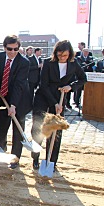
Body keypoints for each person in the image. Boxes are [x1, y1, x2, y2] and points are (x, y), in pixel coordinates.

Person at [31, 40, 86, 171]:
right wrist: (54, 103)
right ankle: (35, 157)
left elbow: (83, 79)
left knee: (56, 130)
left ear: (70, 54)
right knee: (38, 129)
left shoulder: (74, 64)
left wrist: (70, 86)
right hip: (43, 98)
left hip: (60, 98)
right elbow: (43, 85)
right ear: (56, 53)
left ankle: (52, 161)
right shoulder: (48, 63)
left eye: (65, 55)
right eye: (60, 55)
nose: (62, 58)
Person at [0, 35, 31, 169]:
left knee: (18, 131)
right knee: (2, 128)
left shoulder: (24, 62)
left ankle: (15, 158)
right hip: (3, 98)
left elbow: (19, 85)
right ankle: (1, 154)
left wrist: (13, 105)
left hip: (20, 101)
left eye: (16, 49)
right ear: (4, 48)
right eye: (10, 49)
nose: (13, 52)